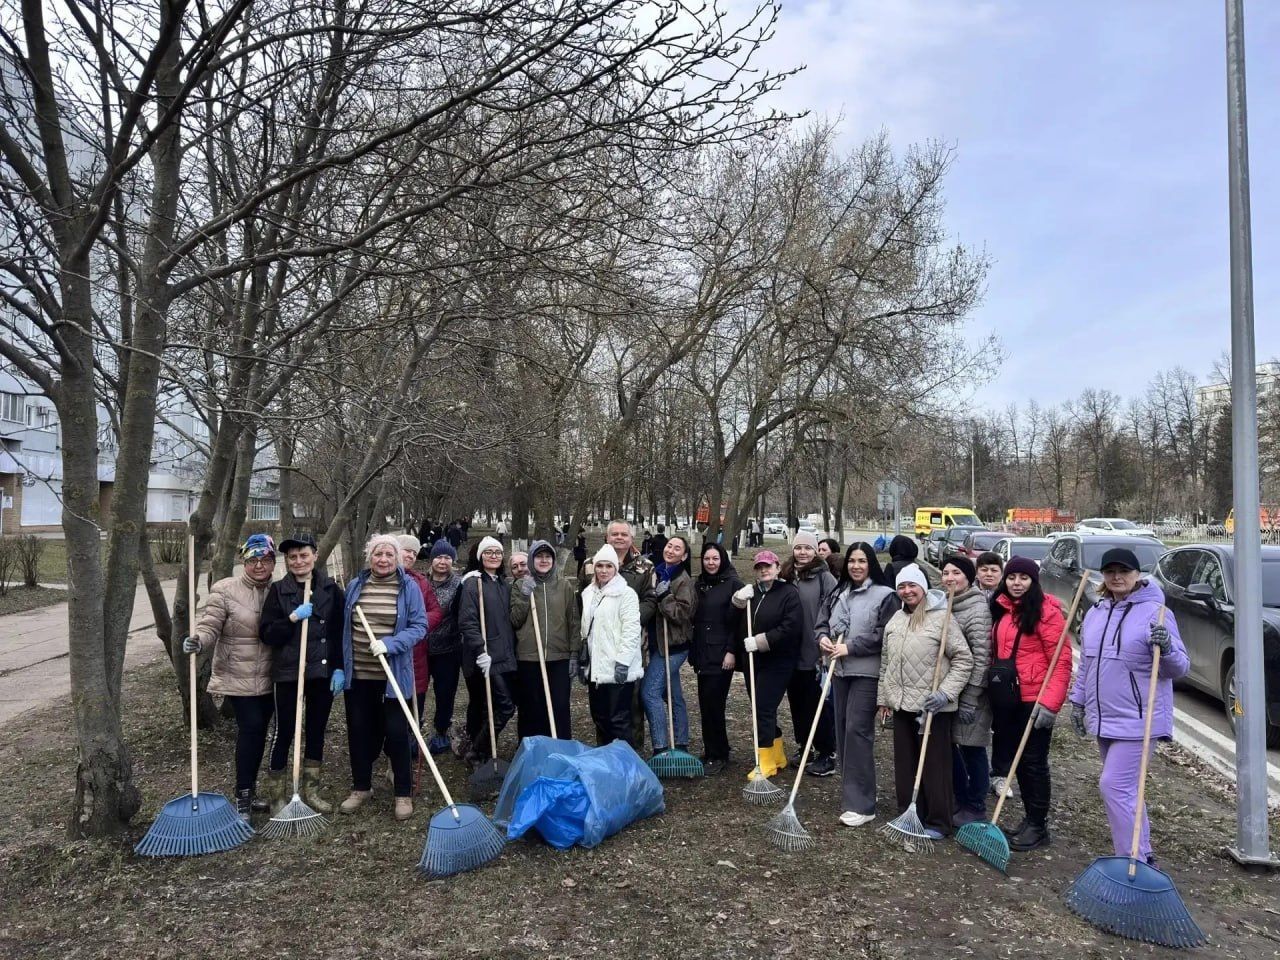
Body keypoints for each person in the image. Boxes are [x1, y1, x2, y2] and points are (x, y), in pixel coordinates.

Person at [1068, 547, 1189, 865]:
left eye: (1124, 571)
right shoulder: (1096, 613)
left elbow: (1178, 669)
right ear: (1103, 577)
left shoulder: (1156, 613)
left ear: (1138, 575)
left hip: (1139, 719)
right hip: (1104, 717)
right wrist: (1078, 702)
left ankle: (1130, 859)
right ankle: (1142, 853)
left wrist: (1167, 648)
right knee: (1127, 791)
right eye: (1110, 572)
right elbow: (1088, 665)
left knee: (1113, 786)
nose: (1117, 577)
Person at [183, 533, 278, 819]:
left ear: (273, 562)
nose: (259, 565)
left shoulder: (280, 589)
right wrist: (198, 640)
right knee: (250, 730)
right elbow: (210, 624)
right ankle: (243, 794)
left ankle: (253, 790)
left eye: (265, 560)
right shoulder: (225, 589)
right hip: (238, 674)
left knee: (262, 733)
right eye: (252, 560)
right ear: (243, 561)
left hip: (272, 676)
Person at [878, 564, 973, 840]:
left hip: (932, 706)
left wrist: (945, 693)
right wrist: (884, 698)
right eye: (902, 587)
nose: (907, 591)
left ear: (923, 588)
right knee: (905, 763)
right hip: (901, 703)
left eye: (912, 586)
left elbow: (964, 660)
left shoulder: (941, 618)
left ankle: (939, 821)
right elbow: (886, 662)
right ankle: (910, 813)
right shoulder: (895, 620)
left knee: (934, 765)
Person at [337, 533, 427, 821]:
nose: (384, 559)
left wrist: (390, 644)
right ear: (370, 557)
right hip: (360, 675)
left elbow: (419, 626)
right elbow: (344, 629)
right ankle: (361, 787)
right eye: (378, 554)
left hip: (393, 676)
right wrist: (341, 666)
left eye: (389, 554)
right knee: (359, 732)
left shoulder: (408, 587)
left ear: (398, 558)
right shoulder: (355, 586)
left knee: (398, 733)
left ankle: (402, 793)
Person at [258, 532, 345, 815]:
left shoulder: (331, 590)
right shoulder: (278, 591)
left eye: (303, 555)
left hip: (321, 673)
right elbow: (267, 634)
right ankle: (277, 795)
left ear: (315, 555)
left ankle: (311, 790)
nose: (298, 561)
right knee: (284, 731)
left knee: (316, 730)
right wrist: (293, 618)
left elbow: (339, 633)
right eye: (292, 557)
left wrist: (339, 667)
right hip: (288, 673)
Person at [987, 556, 1069, 850]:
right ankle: (1029, 819)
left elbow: (1061, 662)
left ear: (1034, 581)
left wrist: (1050, 704)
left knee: (1033, 763)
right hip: (1008, 698)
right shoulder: (1003, 610)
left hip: (1034, 700)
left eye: (1023, 578)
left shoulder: (1048, 614)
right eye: (1011, 578)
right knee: (1018, 762)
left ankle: (1038, 826)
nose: (1016, 583)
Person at [817, 543, 897, 827]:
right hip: (839, 672)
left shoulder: (886, 596)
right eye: (852, 561)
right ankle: (851, 792)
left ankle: (863, 804)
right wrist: (823, 638)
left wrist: (851, 647)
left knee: (857, 732)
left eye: (862, 561)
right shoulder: (839, 591)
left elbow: (884, 634)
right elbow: (822, 622)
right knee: (841, 731)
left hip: (866, 673)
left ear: (871, 563)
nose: (856, 566)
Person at [581, 520, 657, 744]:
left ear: (632, 538)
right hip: (598, 645)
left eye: (624, 534)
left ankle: (630, 753)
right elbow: (584, 601)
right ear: (607, 536)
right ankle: (606, 753)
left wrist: (624, 620)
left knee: (629, 705)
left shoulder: (644, 567)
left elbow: (651, 601)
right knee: (602, 708)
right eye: (614, 534)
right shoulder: (589, 564)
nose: (619, 538)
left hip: (630, 644)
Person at [731, 550, 803, 779]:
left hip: (778, 661)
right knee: (761, 709)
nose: (764, 570)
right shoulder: (752, 593)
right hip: (753, 660)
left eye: (768, 566)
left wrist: (761, 641)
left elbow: (791, 627)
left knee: (763, 708)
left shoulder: (788, 593)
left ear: (778, 568)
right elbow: (732, 621)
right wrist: (737, 602)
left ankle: (765, 762)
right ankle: (778, 754)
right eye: (759, 566)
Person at [458, 536, 526, 766]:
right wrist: (479, 649)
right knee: (505, 706)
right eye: (489, 552)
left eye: (498, 552)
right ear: (480, 557)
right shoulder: (473, 583)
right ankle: (477, 750)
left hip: (505, 653)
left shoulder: (502, 584)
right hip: (486, 655)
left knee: (499, 706)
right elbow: (467, 621)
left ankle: (483, 749)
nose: (494, 556)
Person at [779, 531, 839, 777]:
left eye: (807, 548)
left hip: (814, 652)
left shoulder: (824, 578)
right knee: (797, 703)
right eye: (798, 548)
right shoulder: (785, 575)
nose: (802, 552)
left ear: (815, 551)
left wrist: (826, 642)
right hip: (789, 652)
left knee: (817, 704)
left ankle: (827, 752)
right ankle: (805, 746)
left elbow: (835, 612)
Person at [939, 556, 993, 826]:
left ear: (969, 578)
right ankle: (959, 797)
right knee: (952, 746)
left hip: (972, 694)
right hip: (950, 692)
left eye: (956, 573)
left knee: (972, 748)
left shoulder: (977, 609)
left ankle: (976, 804)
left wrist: (971, 697)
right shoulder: (946, 605)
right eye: (945, 572)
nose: (950, 578)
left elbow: (982, 657)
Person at [512, 539, 580, 739]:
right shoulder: (520, 585)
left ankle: (560, 749)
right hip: (529, 657)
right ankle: (531, 751)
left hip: (559, 658)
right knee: (531, 708)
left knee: (559, 707)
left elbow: (573, 621)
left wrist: (574, 653)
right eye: (539, 556)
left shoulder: (564, 586)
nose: (543, 560)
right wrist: (525, 595)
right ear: (532, 560)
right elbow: (515, 620)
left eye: (547, 556)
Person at [690, 542, 744, 775]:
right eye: (707, 559)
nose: (711, 563)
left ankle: (720, 753)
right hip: (703, 651)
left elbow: (739, 622)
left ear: (723, 560)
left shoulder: (733, 584)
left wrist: (732, 650)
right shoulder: (699, 583)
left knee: (715, 704)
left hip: (722, 653)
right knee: (705, 703)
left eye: (715, 559)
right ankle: (711, 749)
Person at [643, 536, 697, 757]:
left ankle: (661, 747)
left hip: (674, 647)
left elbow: (683, 614)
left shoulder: (683, 580)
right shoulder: (658, 572)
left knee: (649, 693)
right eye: (669, 546)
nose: (671, 550)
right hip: (658, 644)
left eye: (677, 548)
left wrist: (665, 596)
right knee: (674, 696)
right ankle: (681, 743)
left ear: (684, 556)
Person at [396, 535, 444, 777]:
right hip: (388, 655)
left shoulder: (420, 582)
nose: (410, 557)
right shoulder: (380, 579)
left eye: (414, 554)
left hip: (416, 655)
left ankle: (407, 749)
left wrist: (419, 627)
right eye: (406, 551)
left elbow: (435, 611)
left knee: (416, 705)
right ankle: (391, 752)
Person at [423, 539, 463, 754]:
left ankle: (441, 731)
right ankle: (412, 732)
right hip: (421, 648)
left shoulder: (459, 584)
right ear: (431, 560)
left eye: (447, 557)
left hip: (449, 648)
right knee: (417, 692)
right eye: (438, 557)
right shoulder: (420, 582)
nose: (442, 561)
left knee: (445, 692)